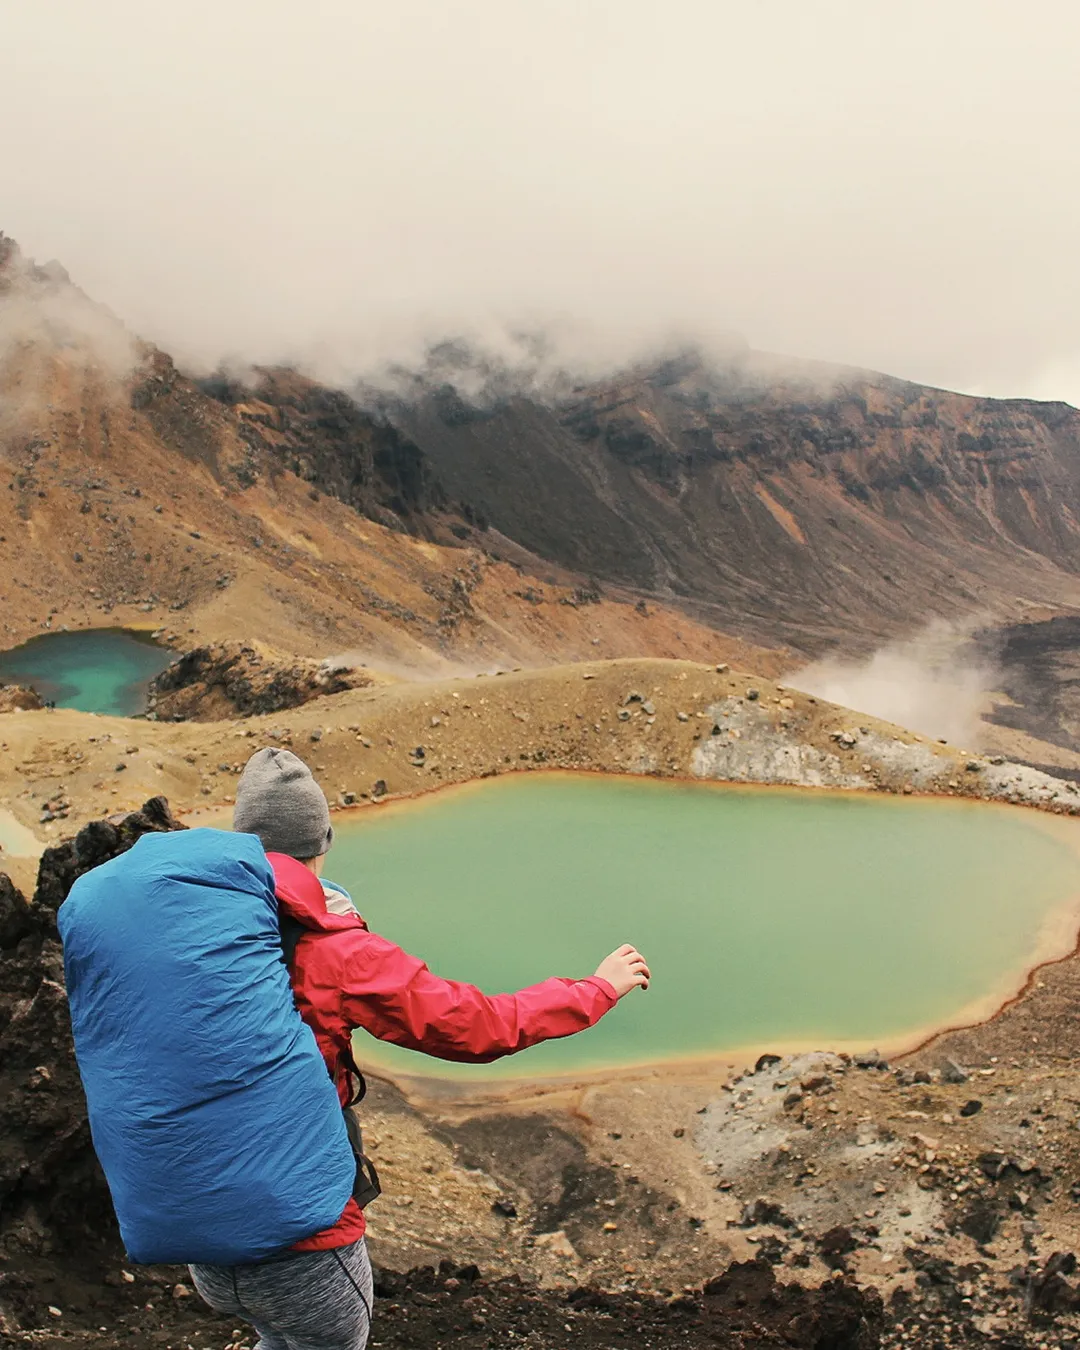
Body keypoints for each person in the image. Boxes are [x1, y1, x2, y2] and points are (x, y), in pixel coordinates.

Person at [195, 746, 651, 1350]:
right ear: (323, 838)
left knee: (276, 1339)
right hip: (299, 1235)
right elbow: (478, 1026)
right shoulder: (336, 953)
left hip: (202, 1223)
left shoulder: (201, 925)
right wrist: (596, 989)